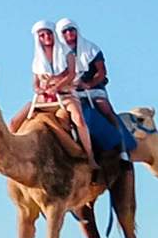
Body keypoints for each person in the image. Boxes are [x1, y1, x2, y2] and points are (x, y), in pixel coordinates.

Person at [51, 18, 132, 158]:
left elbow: (101, 72)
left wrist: (88, 84)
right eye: (65, 31)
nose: (69, 33)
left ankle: (122, 146)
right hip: (67, 92)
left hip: (91, 88)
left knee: (105, 108)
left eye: (72, 29)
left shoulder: (91, 49)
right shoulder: (55, 53)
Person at [8, 19, 66, 134]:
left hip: (62, 99)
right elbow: (35, 83)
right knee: (13, 123)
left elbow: (70, 76)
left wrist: (55, 84)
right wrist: (38, 89)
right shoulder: (38, 61)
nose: (46, 37)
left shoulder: (65, 55)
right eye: (42, 35)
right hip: (41, 101)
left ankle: (85, 150)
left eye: (49, 34)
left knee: (72, 121)